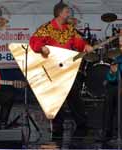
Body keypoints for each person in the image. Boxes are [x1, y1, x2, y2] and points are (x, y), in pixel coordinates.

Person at [29, 2, 93, 141]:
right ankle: (58, 126)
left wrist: (85, 46)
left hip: (67, 68)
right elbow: (34, 41)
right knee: (56, 97)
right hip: (52, 68)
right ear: (59, 13)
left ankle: (82, 124)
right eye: (67, 12)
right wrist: (41, 47)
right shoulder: (46, 28)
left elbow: (78, 42)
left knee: (73, 91)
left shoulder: (69, 29)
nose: (68, 14)